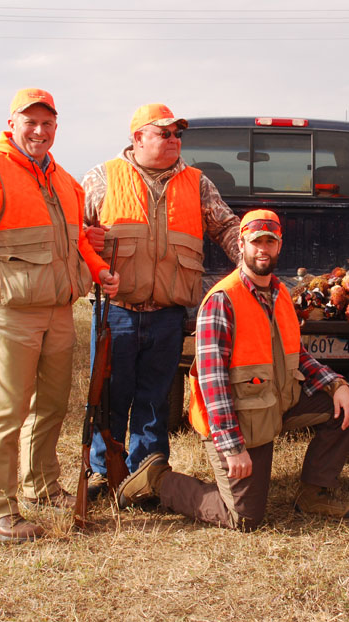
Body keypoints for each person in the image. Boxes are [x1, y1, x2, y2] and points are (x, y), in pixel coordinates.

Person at [0, 88, 119, 542]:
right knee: (6, 409)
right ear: (12, 123)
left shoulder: (63, 179)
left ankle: (41, 485)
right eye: (31, 122)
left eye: (48, 123)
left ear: (56, 127)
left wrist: (99, 271)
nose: (40, 131)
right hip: (10, 312)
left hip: (58, 311)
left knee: (52, 404)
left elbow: (78, 240)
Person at [116, 209, 349, 530]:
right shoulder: (223, 299)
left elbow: (297, 356)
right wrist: (232, 447)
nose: (263, 249)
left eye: (270, 242)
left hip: (272, 404)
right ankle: (158, 479)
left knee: (347, 400)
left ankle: (315, 492)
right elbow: (211, 383)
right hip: (236, 419)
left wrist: (337, 384)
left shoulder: (282, 294)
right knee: (243, 517)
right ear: (241, 243)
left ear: (279, 245)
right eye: (256, 241)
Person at [81, 103, 241, 498]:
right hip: (115, 313)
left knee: (154, 402)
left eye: (177, 134)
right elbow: (74, 234)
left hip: (168, 315)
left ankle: (148, 477)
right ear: (138, 137)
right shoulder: (101, 178)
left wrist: (254, 256)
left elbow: (227, 227)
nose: (174, 140)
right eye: (164, 133)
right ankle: (103, 473)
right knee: (109, 398)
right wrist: (87, 249)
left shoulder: (198, 183)